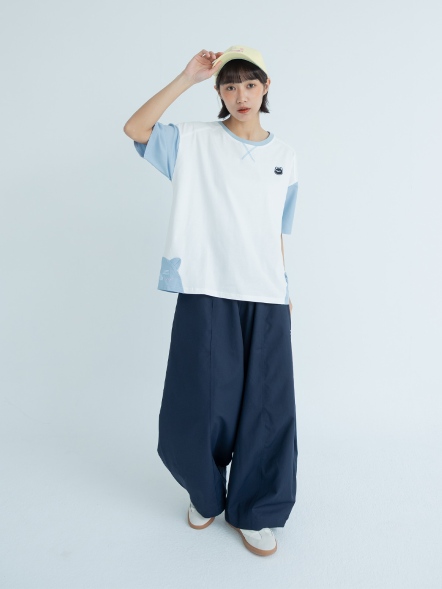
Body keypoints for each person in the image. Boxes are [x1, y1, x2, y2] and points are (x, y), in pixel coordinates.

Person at [123, 45, 299, 557]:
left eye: (250, 84)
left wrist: (285, 287)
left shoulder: (286, 157)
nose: (241, 95)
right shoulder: (194, 140)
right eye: (230, 85)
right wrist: (186, 77)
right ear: (219, 92)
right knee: (201, 399)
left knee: (267, 406)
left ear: (266, 87)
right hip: (206, 286)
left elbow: (276, 231)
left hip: (265, 293)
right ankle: (204, 493)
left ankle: (256, 509)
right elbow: (135, 128)